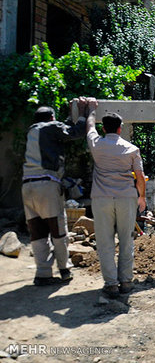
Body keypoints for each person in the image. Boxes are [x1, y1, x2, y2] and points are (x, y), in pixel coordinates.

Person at [22, 98, 93, 286]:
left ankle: (43, 274)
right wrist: (85, 114)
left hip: (27, 186)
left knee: (37, 232)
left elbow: (63, 129)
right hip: (46, 185)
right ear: (52, 118)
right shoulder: (50, 127)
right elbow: (75, 132)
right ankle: (65, 270)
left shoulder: (33, 131)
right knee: (58, 230)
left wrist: (71, 115)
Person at [86, 106, 146, 298]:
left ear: (103, 128)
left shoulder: (96, 144)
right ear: (120, 128)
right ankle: (126, 282)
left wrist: (90, 110)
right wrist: (142, 198)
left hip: (101, 198)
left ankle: (111, 284)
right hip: (126, 198)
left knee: (105, 242)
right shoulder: (131, 149)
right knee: (127, 240)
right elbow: (140, 176)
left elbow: (89, 127)